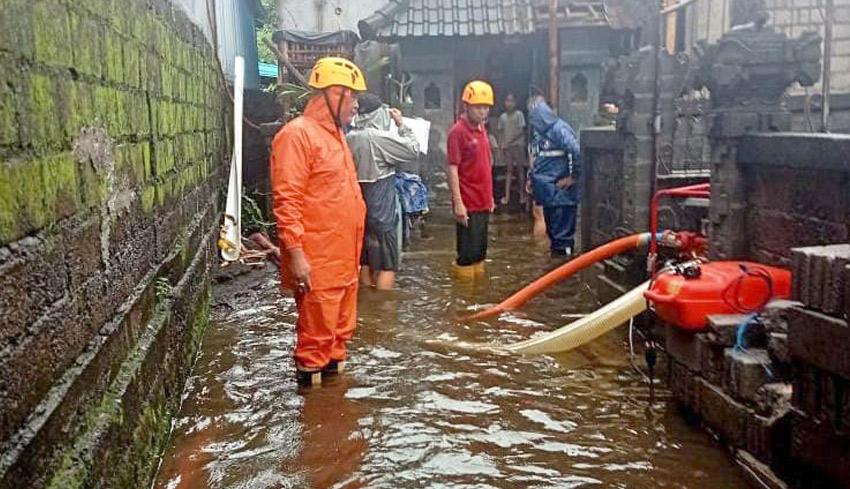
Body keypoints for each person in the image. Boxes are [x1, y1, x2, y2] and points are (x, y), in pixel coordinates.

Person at [270, 57, 367, 385]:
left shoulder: (335, 137)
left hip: (344, 262)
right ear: (334, 94)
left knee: (339, 340)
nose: (355, 104)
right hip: (319, 262)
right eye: (351, 96)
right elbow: (287, 200)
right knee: (315, 342)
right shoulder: (296, 136)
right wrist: (296, 253)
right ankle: (315, 423)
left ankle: (336, 418)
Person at [346, 93, 420, 291]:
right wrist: (401, 124)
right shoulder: (377, 138)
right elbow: (413, 149)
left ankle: (368, 307)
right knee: (388, 265)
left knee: (366, 260)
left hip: (360, 212)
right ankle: (384, 310)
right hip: (382, 213)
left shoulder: (348, 137)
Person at [447, 80, 495, 278]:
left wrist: (490, 197)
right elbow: (452, 167)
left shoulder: (482, 129)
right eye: (478, 107)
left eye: (486, 107)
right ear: (466, 106)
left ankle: (478, 298)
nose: (483, 112)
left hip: (483, 201)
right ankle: (464, 302)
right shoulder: (458, 132)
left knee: (480, 252)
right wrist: (458, 203)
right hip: (468, 202)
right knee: (467, 255)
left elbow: (484, 165)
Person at [527, 93, 581, 257]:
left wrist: (573, 177)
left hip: (561, 195)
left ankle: (565, 271)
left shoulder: (559, 129)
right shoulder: (540, 133)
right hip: (548, 193)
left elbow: (576, 151)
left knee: (562, 238)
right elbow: (538, 158)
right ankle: (556, 268)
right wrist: (531, 178)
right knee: (553, 236)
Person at [497, 93, 527, 206]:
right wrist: (500, 148)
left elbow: (521, 131)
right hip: (507, 148)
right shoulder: (502, 117)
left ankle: (522, 196)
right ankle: (507, 196)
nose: (509, 103)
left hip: (518, 146)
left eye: (511, 101)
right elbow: (500, 134)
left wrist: (509, 141)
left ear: (515, 103)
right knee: (508, 171)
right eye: (507, 101)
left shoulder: (519, 115)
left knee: (520, 171)